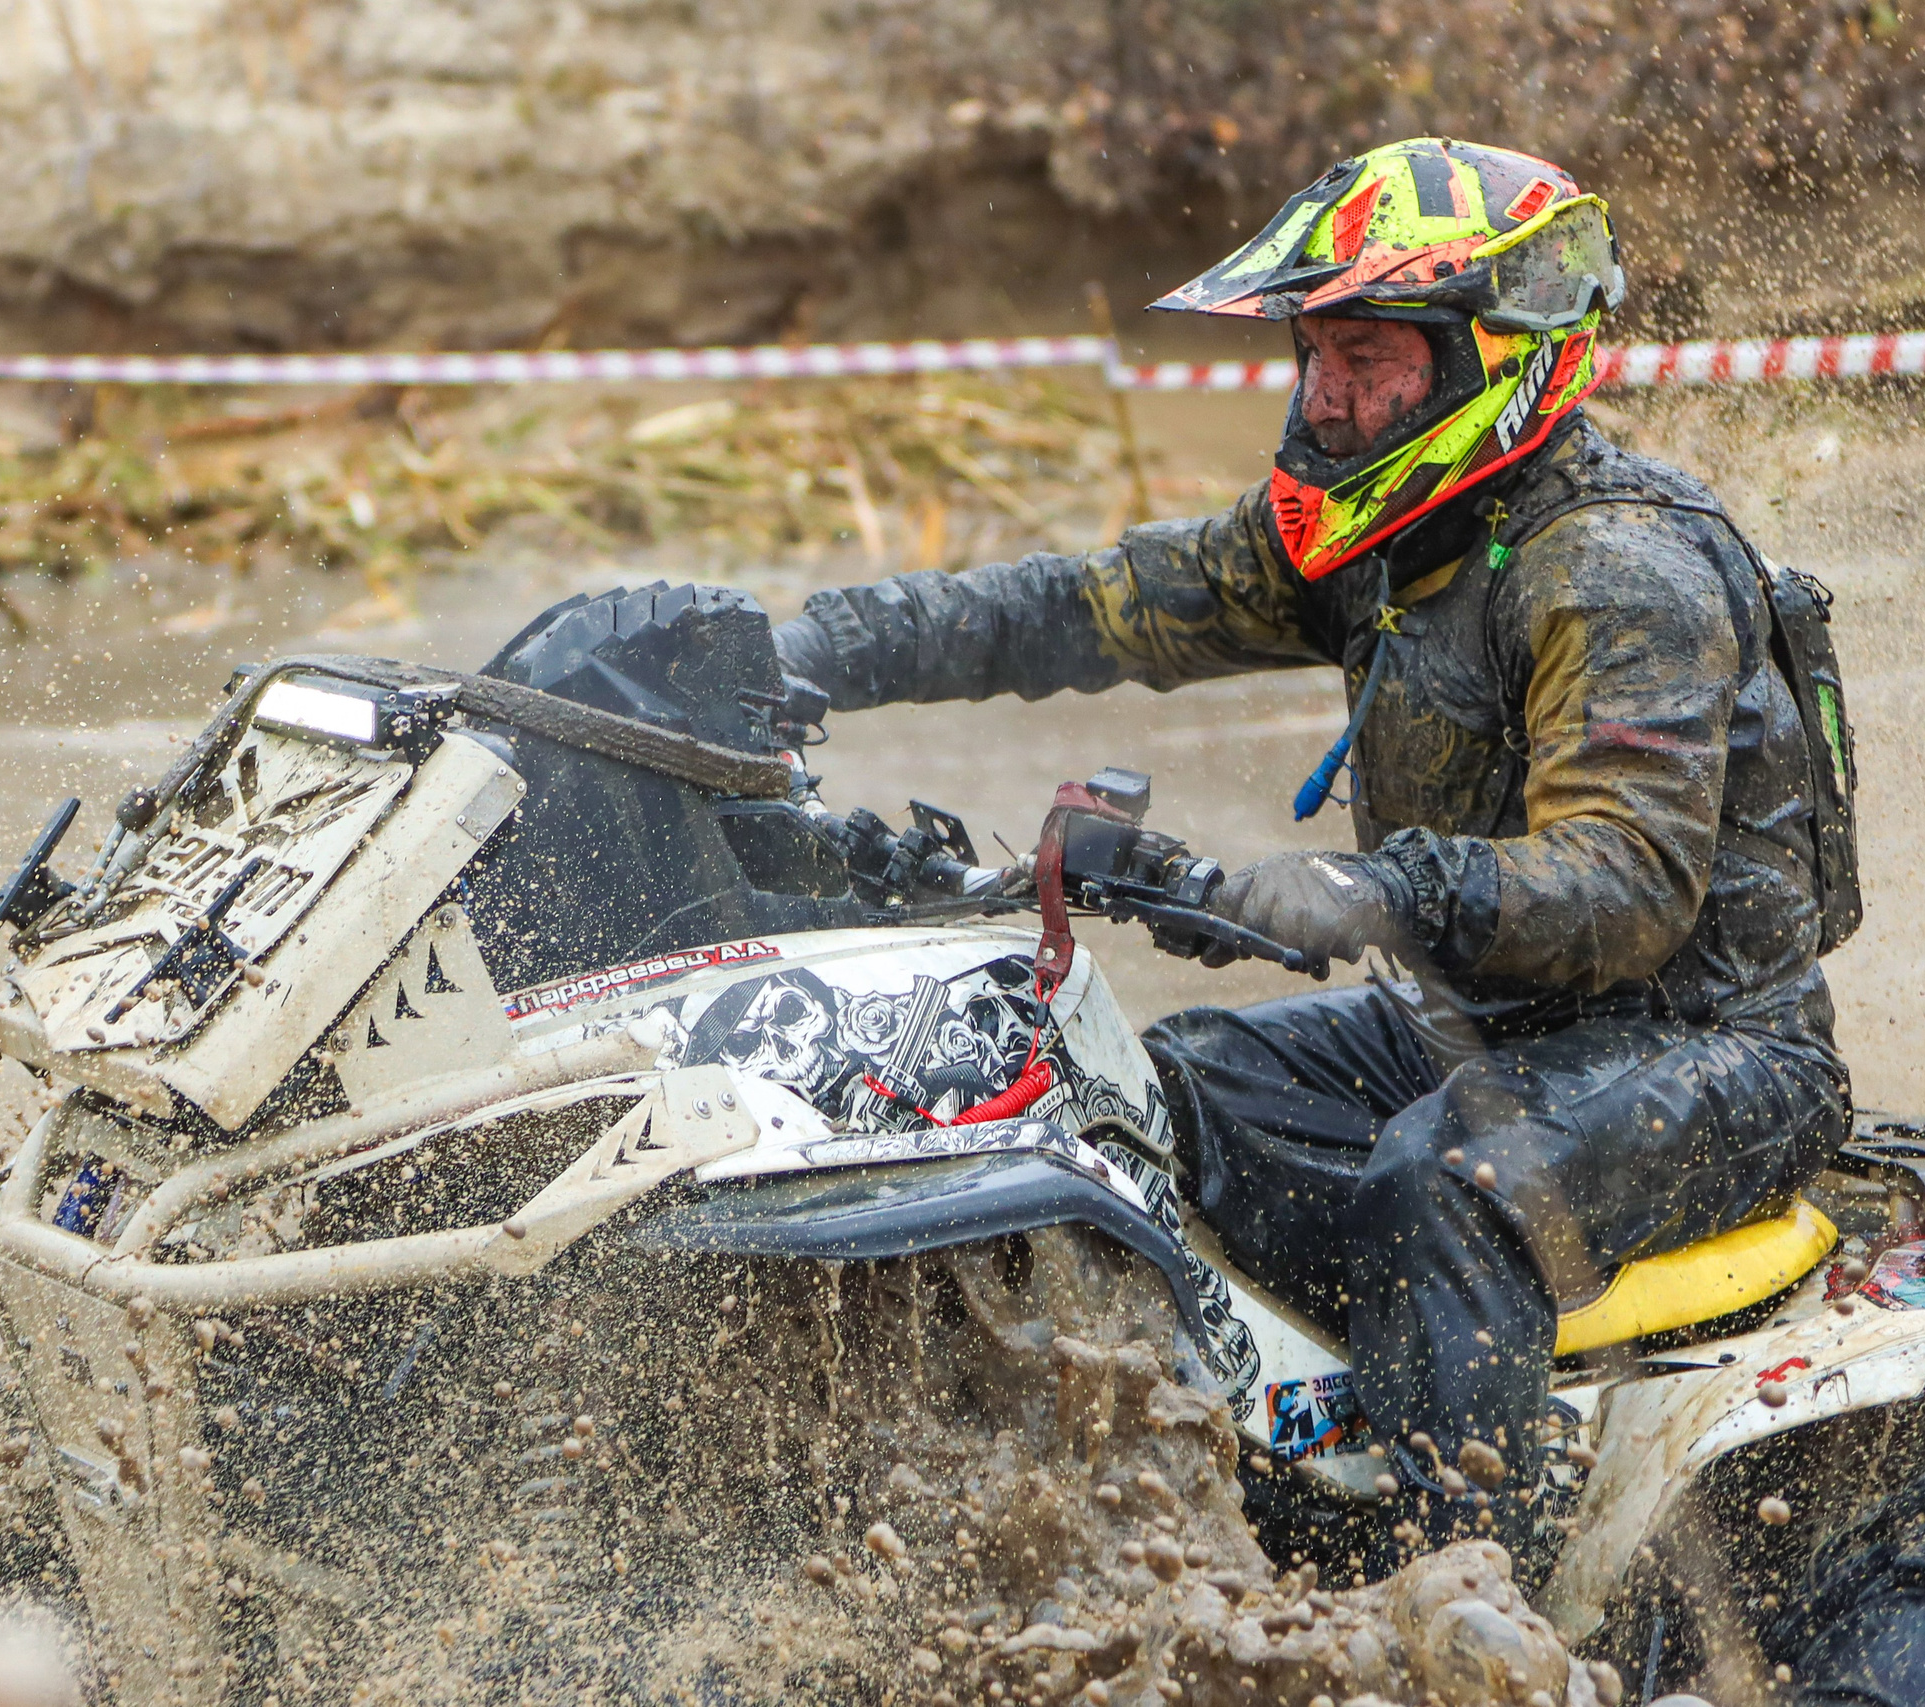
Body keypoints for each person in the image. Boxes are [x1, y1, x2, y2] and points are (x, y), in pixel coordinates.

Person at [772, 137, 1852, 1560]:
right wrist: (802, 646)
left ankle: (1472, 1577)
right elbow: (1098, 606)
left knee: (1451, 1180)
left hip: (1718, 1048)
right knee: (1152, 1095)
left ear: (1490, 359)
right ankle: (1275, 1475)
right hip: (1491, 1023)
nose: (1326, 399)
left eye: (1365, 359)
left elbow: (1622, 890)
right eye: (1314, 354)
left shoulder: (1617, 569)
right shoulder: (1382, 533)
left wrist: (1366, 886)